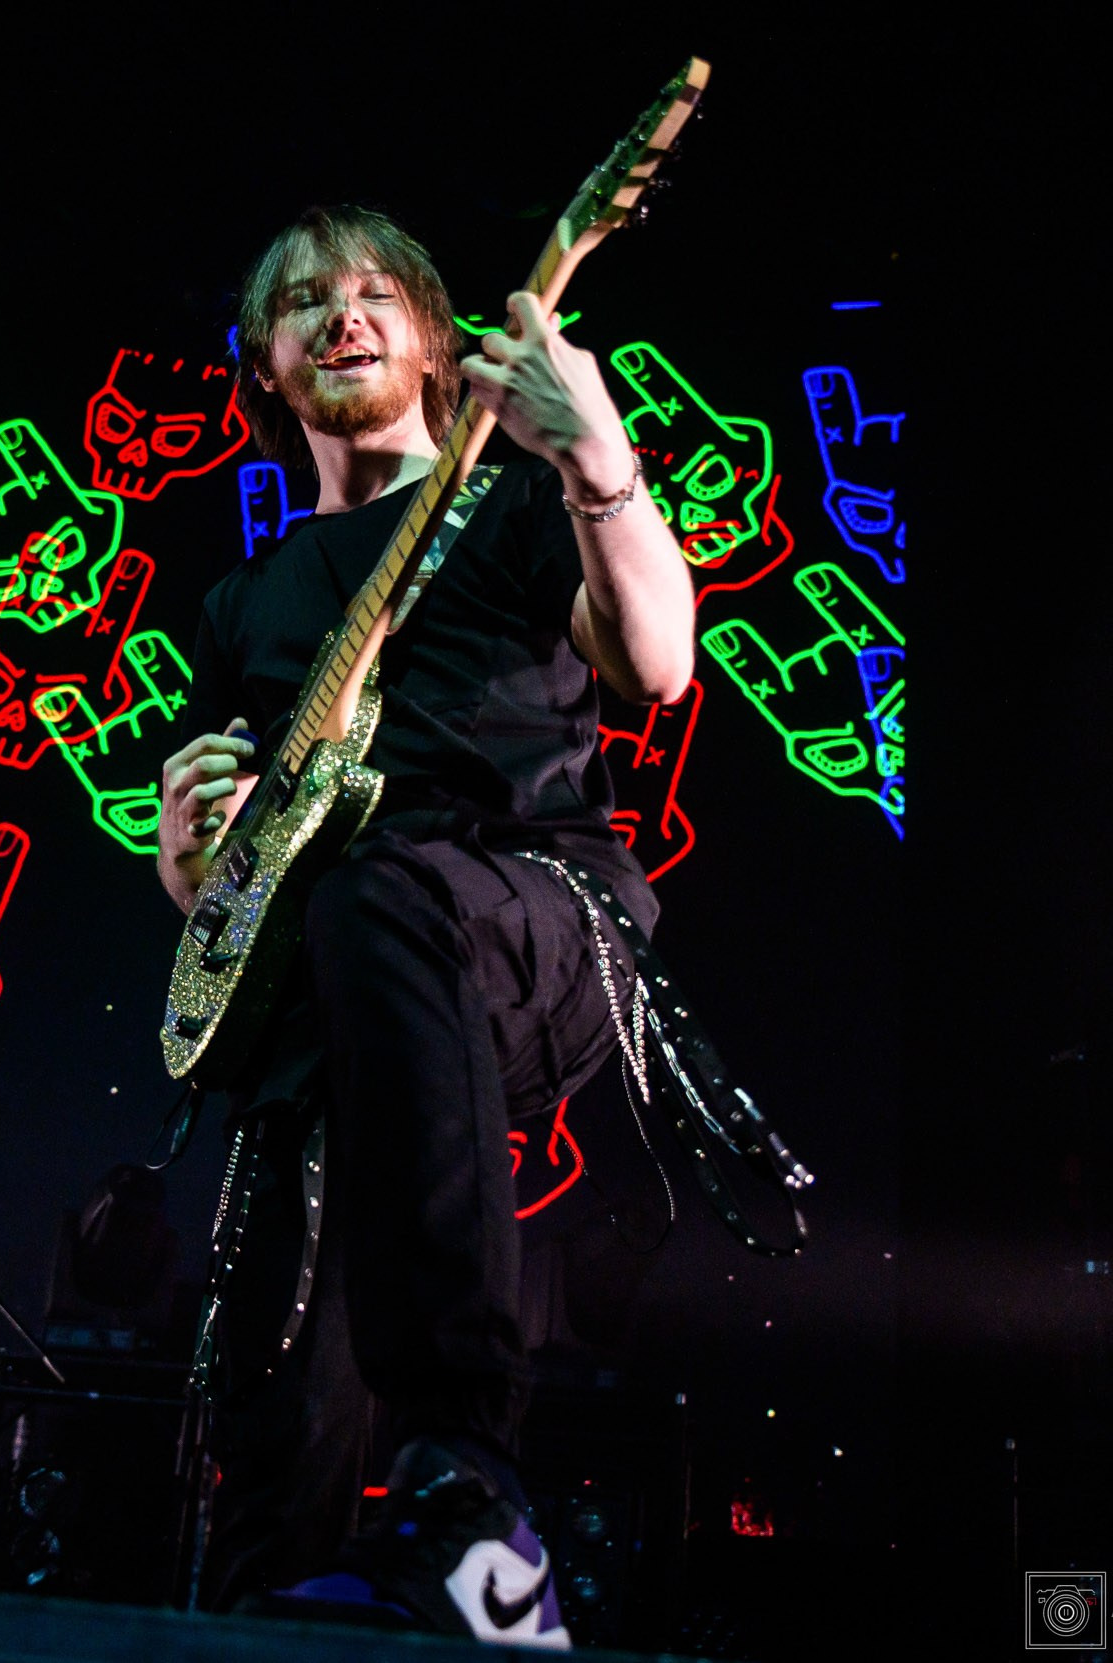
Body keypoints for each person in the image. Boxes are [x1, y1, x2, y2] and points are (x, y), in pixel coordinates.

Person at [160, 204, 696, 1647]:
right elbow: (225, 891)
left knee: (379, 892)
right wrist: (187, 855)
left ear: (434, 344)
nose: (342, 316)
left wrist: (595, 459)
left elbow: (656, 662)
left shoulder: (512, 509)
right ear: (264, 364)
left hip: (537, 914)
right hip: (347, 967)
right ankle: (279, 1585)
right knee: (284, 1181)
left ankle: (466, 1471)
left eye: (375, 294)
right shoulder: (242, 602)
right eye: (304, 301)